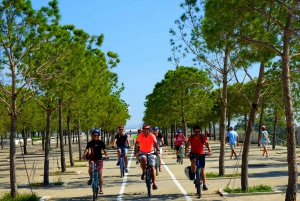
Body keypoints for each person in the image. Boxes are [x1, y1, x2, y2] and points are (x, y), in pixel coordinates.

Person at [185, 125, 212, 191]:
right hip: (193, 153)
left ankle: (204, 185)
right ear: (193, 132)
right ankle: (192, 173)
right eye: (196, 132)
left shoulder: (202, 137)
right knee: (193, 162)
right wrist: (186, 152)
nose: (197, 133)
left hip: (201, 154)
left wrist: (210, 151)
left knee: (202, 169)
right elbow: (187, 146)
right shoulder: (191, 138)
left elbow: (207, 144)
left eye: (198, 132)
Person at [82, 129, 108, 195]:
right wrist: (84, 155)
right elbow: (87, 149)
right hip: (92, 159)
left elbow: (104, 150)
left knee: (100, 174)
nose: (96, 136)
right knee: (90, 167)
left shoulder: (101, 142)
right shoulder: (90, 143)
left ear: (99, 135)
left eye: (97, 135)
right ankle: (91, 178)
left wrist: (106, 155)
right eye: (94, 135)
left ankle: (101, 189)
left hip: (99, 159)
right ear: (92, 136)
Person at [134, 125, 160, 190]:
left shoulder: (152, 135)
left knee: (152, 167)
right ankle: (143, 172)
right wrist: (136, 152)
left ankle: (154, 183)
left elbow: (156, 143)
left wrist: (158, 150)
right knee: (143, 159)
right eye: (144, 130)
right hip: (142, 152)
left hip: (151, 152)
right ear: (142, 131)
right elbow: (137, 144)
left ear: (149, 131)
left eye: (147, 130)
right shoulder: (140, 136)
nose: (145, 132)